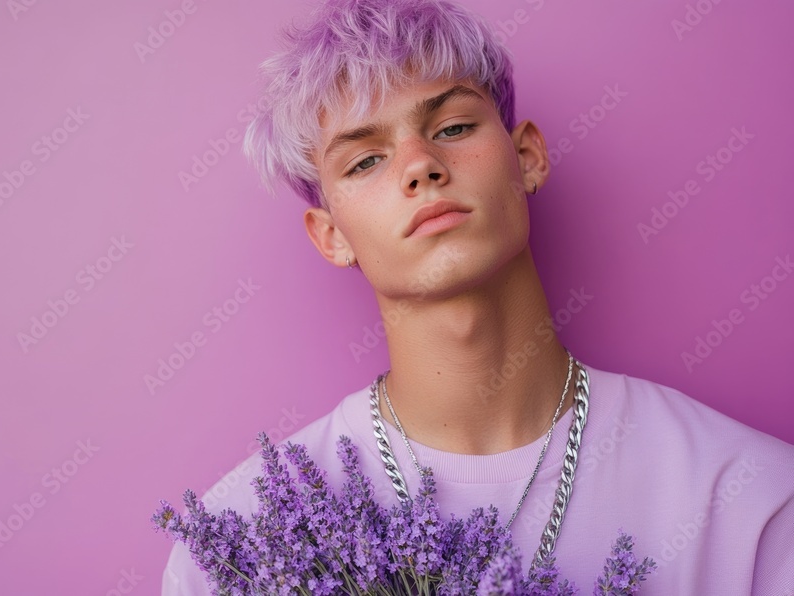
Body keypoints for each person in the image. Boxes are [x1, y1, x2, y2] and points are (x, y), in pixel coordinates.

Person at [161, 0, 794, 592]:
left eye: (455, 125)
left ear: (527, 158)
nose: (419, 165)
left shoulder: (752, 503)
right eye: (364, 162)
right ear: (331, 236)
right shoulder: (238, 546)